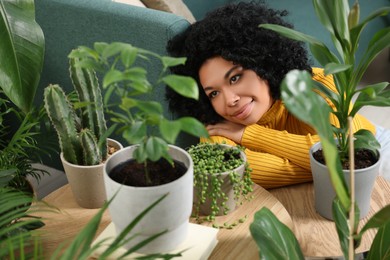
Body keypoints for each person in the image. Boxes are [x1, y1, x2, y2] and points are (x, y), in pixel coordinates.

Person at [165, 1, 389, 188]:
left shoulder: (314, 84)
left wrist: (248, 135)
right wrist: (334, 162)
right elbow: (248, 173)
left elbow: (353, 147)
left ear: (263, 62)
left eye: (235, 78)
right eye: (213, 93)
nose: (230, 100)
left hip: (379, 148)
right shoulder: (216, 127)